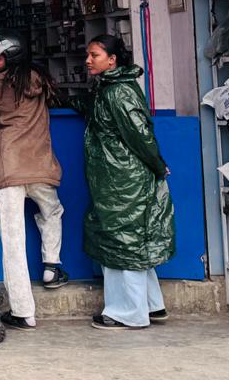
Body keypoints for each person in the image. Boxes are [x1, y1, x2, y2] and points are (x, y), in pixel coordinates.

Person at [0, 30, 68, 330]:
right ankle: (52, 265)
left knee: (13, 240)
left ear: (10, 57)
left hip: (9, 168)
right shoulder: (39, 78)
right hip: (41, 164)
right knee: (53, 212)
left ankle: (23, 312)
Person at [74, 33, 175, 330]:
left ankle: (127, 313)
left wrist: (158, 165)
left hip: (124, 180)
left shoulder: (118, 92)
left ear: (112, 60)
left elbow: (140, 134)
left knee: (121, 242)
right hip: (118, 179)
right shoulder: (109, 88)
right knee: (131, 241)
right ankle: (152, 305)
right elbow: (95, 110)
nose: (88, 60)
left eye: (94, 55)